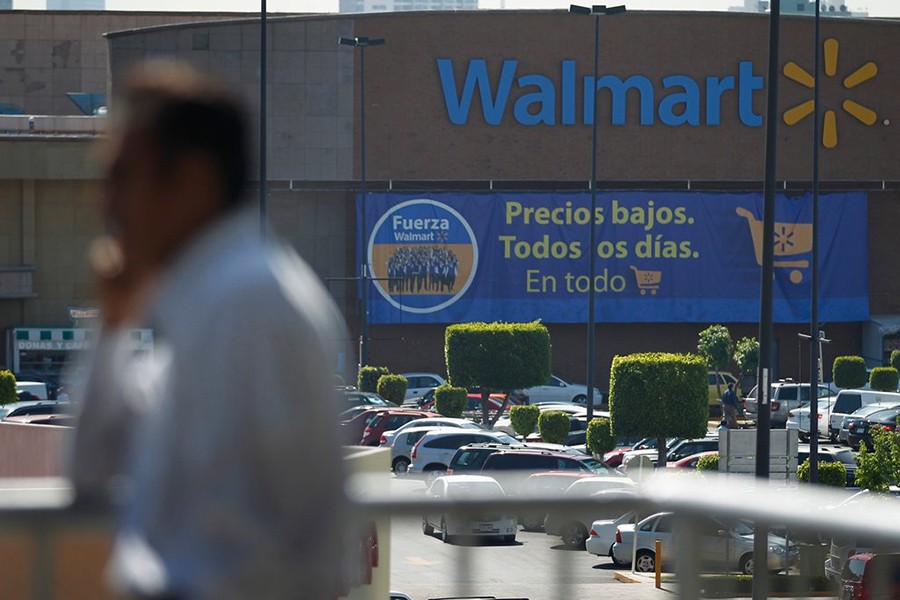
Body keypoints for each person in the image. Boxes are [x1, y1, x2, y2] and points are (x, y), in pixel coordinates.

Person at [69, 61, 349, 600]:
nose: (103, 202)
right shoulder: (204, 303)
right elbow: (92, 467)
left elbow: (278, 552)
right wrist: (114, 323)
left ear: (193, 180)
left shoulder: (249, 306)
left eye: (122, 176)